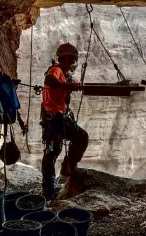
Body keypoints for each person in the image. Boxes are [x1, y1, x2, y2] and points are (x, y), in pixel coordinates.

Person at [40, 43, 89, 199]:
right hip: (56, 117)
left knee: (53, 150)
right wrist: (68, 85)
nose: (74, 63)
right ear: (67, 58)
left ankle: (50, 188)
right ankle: (68, 168)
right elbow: (49, 79)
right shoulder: (55, 70)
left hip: (54, 117)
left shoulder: (62, 72)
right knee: (81, 137)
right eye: (73, 59)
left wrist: (71, 85)